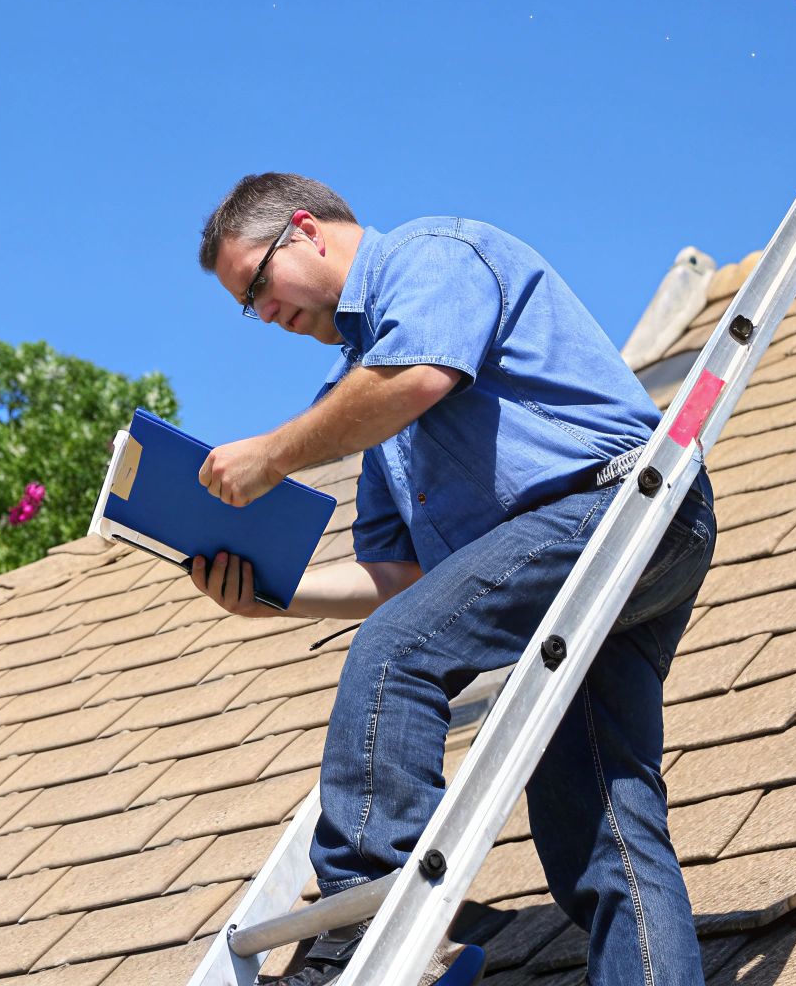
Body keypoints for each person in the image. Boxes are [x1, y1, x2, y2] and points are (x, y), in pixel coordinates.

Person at [188, 173, 716, 986]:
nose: (263, 315)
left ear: (306, 230)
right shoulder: (370, 402)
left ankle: (369, 920)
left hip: (620, 509)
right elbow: (404, 578)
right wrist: (272, 597)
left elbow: (419, 377)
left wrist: (273, 453)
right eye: (246, 306)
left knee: (397, 653)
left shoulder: (432, 256)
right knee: (603, 836)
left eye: (257, 284)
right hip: (567, 565)